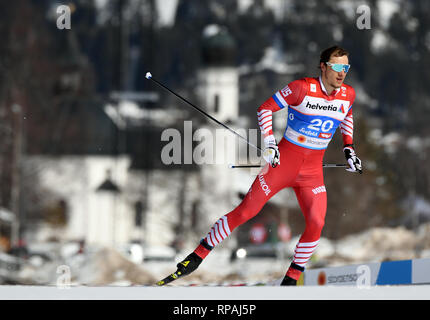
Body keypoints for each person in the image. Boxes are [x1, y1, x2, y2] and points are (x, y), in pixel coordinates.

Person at [157, 45, 362, 286]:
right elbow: (265, 108)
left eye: (346, 67)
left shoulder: (348, 94)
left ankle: (291, 280)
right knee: (246, 211)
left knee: (317, 222)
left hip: (312, 173)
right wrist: (270, 143)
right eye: (337, 67)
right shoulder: (302, 88)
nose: (342, 73)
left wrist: (349, 148)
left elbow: (346, 116)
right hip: (282, 164)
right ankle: (196, 257)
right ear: (323, 66)